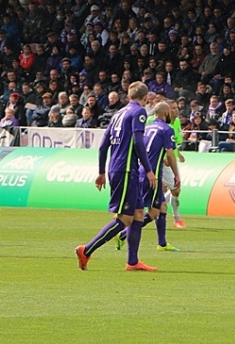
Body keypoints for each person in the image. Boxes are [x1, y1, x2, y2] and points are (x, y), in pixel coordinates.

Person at [75, 81, 157, 271]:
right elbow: (138, 142)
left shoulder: (118, 114)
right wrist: (149, 169)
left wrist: (102, 172)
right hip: (126, 170)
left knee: (138, 214)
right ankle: (86, 250)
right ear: (145, 98)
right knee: (125, 218)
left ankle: (133, 261)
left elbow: (104, 144)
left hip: (120, 168)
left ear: (128, 96)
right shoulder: (139, 112)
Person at [116, 102, 181, 252]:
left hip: (141, 171)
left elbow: (145, 149)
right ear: (165, 113)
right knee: (153, 212)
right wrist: (176, 175)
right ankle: (123, 234)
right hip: (153, 175)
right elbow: (170, 154)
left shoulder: (148, 128)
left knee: (162, 206)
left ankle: (162, 244)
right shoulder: (167, 129)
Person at [156, 100, 186, 228]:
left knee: (168, 189)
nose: (176, 110)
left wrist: (178, 154)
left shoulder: (177, 122)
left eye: (176, 107)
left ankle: (158, 208)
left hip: (171, 159)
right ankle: (176, 218)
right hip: (161, 160)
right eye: (173, 108)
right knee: (175, 188)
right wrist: (162, 159)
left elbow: (173, 142)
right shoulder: (155, 121)